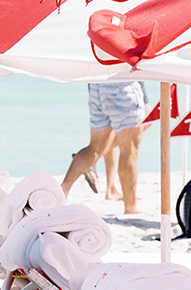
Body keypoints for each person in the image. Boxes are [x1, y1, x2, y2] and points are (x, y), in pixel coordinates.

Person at [62, 80, 145, 214]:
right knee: (129, 150)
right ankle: (131, 207)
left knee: (95, 147)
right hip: (123, 85)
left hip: (97, 84)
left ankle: (62, 191)